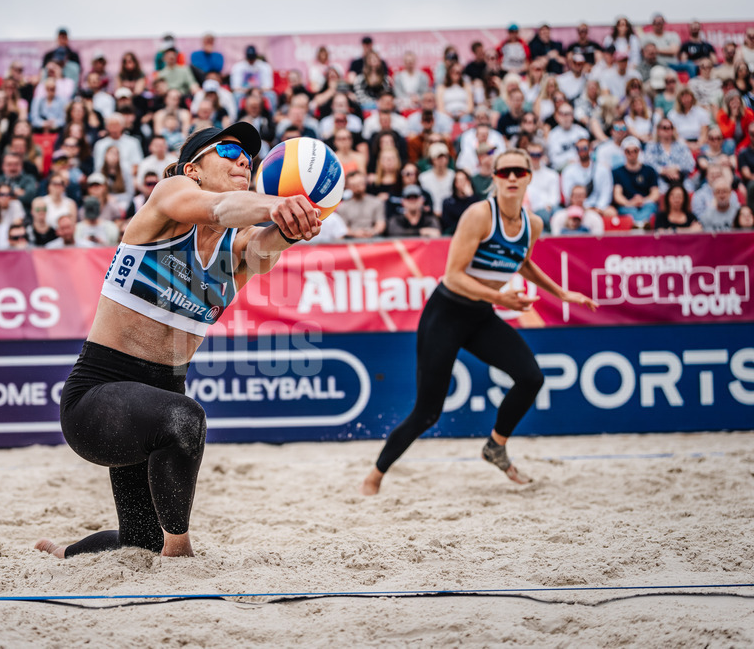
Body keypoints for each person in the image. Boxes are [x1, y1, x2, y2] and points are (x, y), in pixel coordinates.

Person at [34, 123, 320, 559]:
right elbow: (221, 208)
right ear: (193, 169)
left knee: (138, 540)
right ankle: (180, 552)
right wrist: (280, 205)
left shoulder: (236, 251)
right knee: (186, 418)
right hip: (95, 403)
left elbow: (268, 241)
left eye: (248, 156)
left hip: (149, 415)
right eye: (227, 150)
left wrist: (298, 220)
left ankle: (68, 554)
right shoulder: (169, 196)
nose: (243, 159)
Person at [361, 149, 598, 496]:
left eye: (519, 171)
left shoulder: (534, 223)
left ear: (530, 176)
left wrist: (560, 293)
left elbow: (522, 261)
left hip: (480, 315)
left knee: (531, 378)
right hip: (446, 313)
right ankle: (375, 475)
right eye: (505, 172)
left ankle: (495, 446)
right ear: (495, 179)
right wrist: (502, 298)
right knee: (428, 413)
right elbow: (454, 277)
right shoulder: (478, 215)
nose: (513, 177)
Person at [336, 171, 385, 239]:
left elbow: (380, 224)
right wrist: (354, 233)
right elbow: (342, 228)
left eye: (360, 183)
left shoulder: (376, 202)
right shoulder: (343, 207)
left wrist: (373, 232)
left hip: (373, 239)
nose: (358, 187)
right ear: (347, 186)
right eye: (354, 185)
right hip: (352, 240)